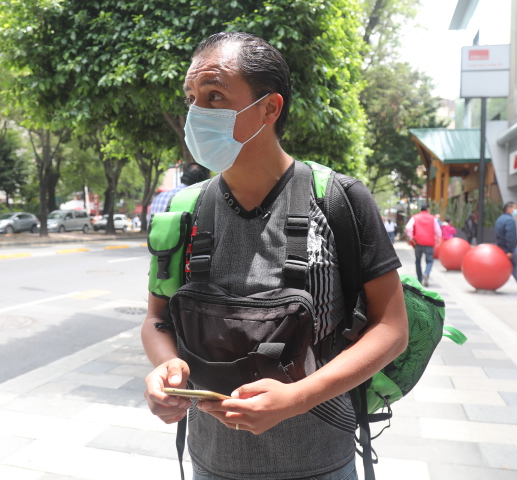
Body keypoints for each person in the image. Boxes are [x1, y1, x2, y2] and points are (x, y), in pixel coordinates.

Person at [141, 32, 408, 480]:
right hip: (210, 462)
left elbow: (391, 327)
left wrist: (299, 397)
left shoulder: (340, 199)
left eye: (215, 95)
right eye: (192, 98)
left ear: (269, 108)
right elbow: (156, 318)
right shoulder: (182, 209)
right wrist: (165, 367)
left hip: (320, 462)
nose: (196, 113)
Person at [405, 204, 441, 287]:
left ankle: (420, 278)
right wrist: (438, 238)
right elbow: (437, 230)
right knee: (429, 261)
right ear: (428, 209)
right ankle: (426, 273)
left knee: (418, 261)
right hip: (429, 243)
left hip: (418, 243)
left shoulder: (415, 217)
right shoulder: (433, 218)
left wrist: (411, 238)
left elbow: (408, 227)